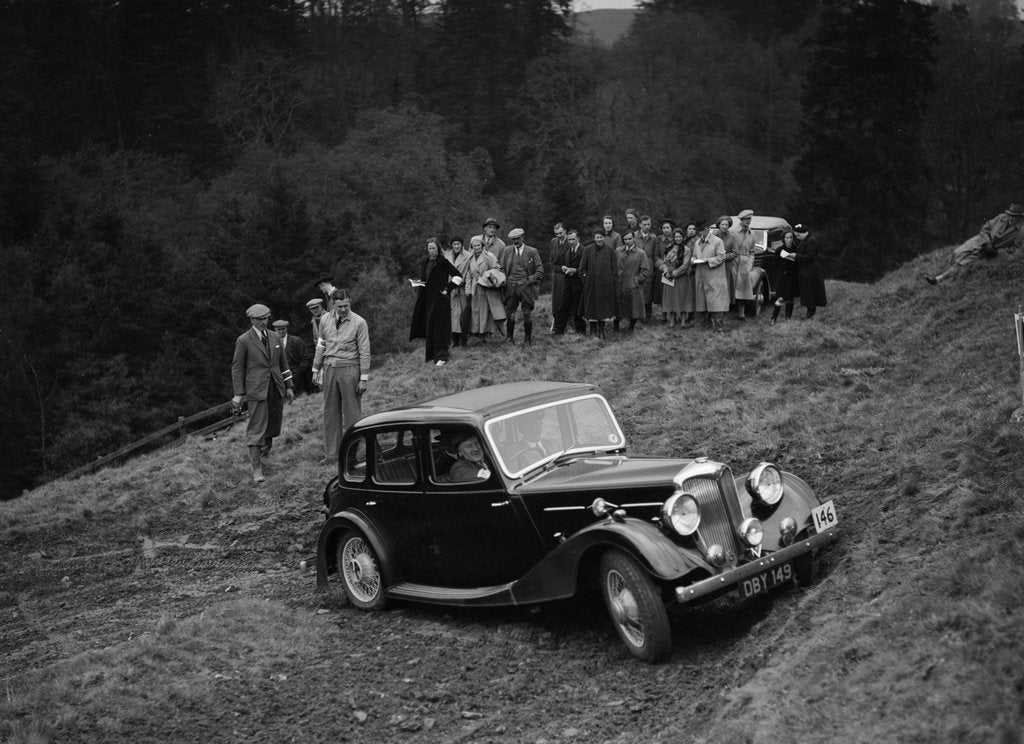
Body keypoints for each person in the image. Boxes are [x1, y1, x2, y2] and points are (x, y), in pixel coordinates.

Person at [231, 304, 295, 483]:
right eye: (259, 320)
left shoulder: (275, 337)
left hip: (276, 387)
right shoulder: (243, 340)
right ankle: (256, 469)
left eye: (266, 319)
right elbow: (237, 368)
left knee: (273, 425)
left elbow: (283, 364)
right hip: (257, 391)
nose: (263, 322)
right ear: (252, 320)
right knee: (256, 429)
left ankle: (266, 456)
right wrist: (238, 393)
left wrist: (289, 386)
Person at [311, 289, 370, 465]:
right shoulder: (324, 320)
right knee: (330, 412)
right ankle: (332, 455)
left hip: (350, 369)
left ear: (349, 302)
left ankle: (352, 456)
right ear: (332, 304)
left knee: (352, 413)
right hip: (329, 369)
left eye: (346, 305)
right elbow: (321, 345)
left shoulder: (359, 322)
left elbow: (365, 352)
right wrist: (316, 368)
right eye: (339, 307)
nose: (343, 309)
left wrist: (363, 378)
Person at [923, 203, 1024, 284]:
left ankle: (939, 279)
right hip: (980, 241)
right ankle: (943, 273)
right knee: (957, 253)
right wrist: (986, 241)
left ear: (1020, 217)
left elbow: (1014, 249)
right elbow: (986, 228)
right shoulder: (1001, 218)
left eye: (1015, 216)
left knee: (964, 263)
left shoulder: (1021, 230)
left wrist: (996, 251)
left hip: (991, 251)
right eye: (1010, 215)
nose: (1011, 218)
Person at [409, 238, 465, 365]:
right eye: (430, 248)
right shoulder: (425, 262)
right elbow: (425, 279)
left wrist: (447, 289)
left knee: (440, 327)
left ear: (438, 249)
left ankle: (442, 357)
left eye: (434, 248)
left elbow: (458, 276)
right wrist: (418, 283)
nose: (432, 251)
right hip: (427, 299)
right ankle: (431, 356)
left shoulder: (443, 262)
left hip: (440, 300)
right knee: (430, 326)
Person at [501, 227, 544, 345]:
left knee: (526, 313)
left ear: (522, 238)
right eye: (513, 239)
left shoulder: (532, 251)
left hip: (526, 287)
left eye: (518, 238)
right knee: (510, 313)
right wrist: (504, 280)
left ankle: (527, 339)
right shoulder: (507, 251)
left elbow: (540, 270)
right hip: (511, 287)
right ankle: (509, 338)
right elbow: (502, 268)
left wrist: (530, 280)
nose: (516, 241)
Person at [579, 228, 619, 340]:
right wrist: (585, 279)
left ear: (604, 238)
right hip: (591, 285)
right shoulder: (588, 250)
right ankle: (593, 331)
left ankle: (602, 331)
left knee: (603, 310)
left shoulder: (610, 251)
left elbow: (614, 269)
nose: (599, 239)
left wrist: (612, 280)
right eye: (597, 237)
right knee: (592, 309)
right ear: (594, 238)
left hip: (605, 286)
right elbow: (582, 268)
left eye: (601, 237)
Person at [466, 236, 506, 343]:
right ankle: (478, 333)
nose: (477, 248)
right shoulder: (469, 258)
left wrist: (487, 276)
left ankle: (488, 333)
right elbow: (468, 274)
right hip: (475, 287)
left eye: (478, 245)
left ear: (482, 245)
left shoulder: (489, 256)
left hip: (487, 286)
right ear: (471, 247)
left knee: (487, 311)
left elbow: (497, 268)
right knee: (476, 310)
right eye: (474, 246)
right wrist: (468, 289)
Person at [691, 220, 729, 332]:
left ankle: (719, 327)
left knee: (717, 302)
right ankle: (704, 325)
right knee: (702, 300)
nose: (701, 233)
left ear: (708, 229)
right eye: (699, 231)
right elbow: (694, 255)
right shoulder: (697, 243)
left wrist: (706, 260)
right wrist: (693, 260)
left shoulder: (718, 241)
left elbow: (721, 257)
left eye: (702, 230)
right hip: (701, 276)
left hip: (715, 276)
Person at [552, 229, 587, 335]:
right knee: (562, 306)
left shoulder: (584, 250)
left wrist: (575, 270)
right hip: (567, 283)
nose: (571, 242)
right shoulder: (567, 251)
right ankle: (558, 330)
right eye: (570, 240)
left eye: (573, 239)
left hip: (579, 284)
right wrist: (564, 268)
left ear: (578, 239)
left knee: (577, 309)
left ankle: (580, 331)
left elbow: (586, 268)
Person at [614, 231, 650, 332]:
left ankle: (631, 328)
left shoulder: (640, 253)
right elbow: (613, 265)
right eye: (625, 239)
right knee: (618, 306)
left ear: (634, 239)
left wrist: (637, 280)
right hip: (620, 283)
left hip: (633, 284)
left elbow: (646, 269)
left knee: (634, 307)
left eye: (629, 239)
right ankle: (616, 327)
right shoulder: (618, 251)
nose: (628, 241)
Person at [660, 225, 695, 328]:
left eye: (680, 237)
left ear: (682, 237)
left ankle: (683, 320)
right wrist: (666, 271)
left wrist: (674, 273)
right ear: (673, 238)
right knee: (670, 298)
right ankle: (672, 320)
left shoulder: (686, 250)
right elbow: (664, 262)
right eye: (676, 237)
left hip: (681, 277)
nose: (678, 239)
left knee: (683, 298)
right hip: (669, 277)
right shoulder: (668, 248)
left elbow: (685, 265)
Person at [790, 224, 827, 319]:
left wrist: (796, 256)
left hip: (811, 271)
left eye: (798, 235)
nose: (797, 237)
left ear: (803, 233)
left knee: (810, 292)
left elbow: (810, 257)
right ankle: (810, 312)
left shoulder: (811, 241)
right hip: (805, 270)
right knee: (807, 292)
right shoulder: (806, 240)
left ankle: (811, 312)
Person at [444, 236, 472, 347]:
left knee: (463, 315)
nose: (456, 246)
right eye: (454, 244)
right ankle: (454, 340)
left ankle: (464, 339)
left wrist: (466, 286)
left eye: (458, 244)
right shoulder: (447, 255)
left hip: (462, 288)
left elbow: (469, 273)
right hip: (451, 289)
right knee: (452, 315)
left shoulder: (468, 256)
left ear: (462, 245)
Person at [272, 319, 313, 395]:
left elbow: (306, 358)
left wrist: (298, 371)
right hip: (279, 376)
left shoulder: (297, 341)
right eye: (279, 330)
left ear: (286, 329)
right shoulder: (271, 343)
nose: (281, 331)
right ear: (275, 330)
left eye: (283, 329)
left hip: (296, 375)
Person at [635, 215, 663, 321]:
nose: (647, 226)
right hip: (637, 266)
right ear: (640, 225)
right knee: (638, 290)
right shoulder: (634, 236)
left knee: (648, 291)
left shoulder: (654, 238)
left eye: (649, 224)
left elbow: (655, 253)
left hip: (649, 267)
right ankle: (637, 313)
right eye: (645, 224)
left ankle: (648, 313)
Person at [770, 229, 800, 325]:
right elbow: (775, 264)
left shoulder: (796, 249)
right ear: (783, 239)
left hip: (793, 277)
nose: (789, 239)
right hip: (783, 277)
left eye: (791, 237)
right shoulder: (779, 250)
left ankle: (788, 318)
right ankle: (773, 318)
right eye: (787, 238)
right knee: (781, 298)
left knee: (790, 298)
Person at [733, 209, 758, 320]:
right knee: (733, 288)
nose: (748, 221)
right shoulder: (733, 232)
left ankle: (741, 314)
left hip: (745, 263)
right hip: (734, 261)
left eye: (749, 219)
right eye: (746, 219)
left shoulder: (752, 233)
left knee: (744, 289)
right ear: (741, 220)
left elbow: (752, 250)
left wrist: (750, 262)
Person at [716, 215, 739, 316]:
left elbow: (735, 252)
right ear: (719, 225)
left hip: (727, 266)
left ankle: (725, 311)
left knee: (726, 288)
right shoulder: (714, 236)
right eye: (723, 224)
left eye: (726, 224)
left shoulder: (732, 237)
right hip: (715, 266)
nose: (724, 226)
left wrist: (725, 256)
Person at [549, 223, 569, 330]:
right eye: (556, 234)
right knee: (556, 301)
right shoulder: (553, 242)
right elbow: (551, 260)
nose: (559, 235)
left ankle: (567, 325)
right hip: (557, 275)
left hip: (568, 276)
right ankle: (556, 324)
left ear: (565, 231)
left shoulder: (570, 242)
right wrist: (557, 269)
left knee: (565, 301)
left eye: (561, 233)